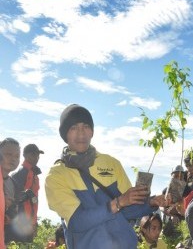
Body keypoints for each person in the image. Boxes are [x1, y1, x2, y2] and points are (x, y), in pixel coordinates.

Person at [45, 104, 166, 249]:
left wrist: (151, 203)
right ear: (65, 134)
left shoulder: (111, 163)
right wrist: (118, 203)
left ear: (92, 132)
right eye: (73, 128)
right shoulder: (56, 175)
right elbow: (77, 221)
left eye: (85, 126)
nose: (81, 133)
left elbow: (127, 211)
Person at [10, 143, 43, 242]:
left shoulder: (34, 174)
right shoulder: (20, 173)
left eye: (38, 155)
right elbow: (12, 198)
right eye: (33, 155)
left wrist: (34, 223)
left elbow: (34, 202)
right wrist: (26, 194)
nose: (37, 158)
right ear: (25, 156)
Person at [1, 138, 21, 244]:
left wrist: (9, 217)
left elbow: (14, 207)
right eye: (8, 154)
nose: (13, 159)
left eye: (17, 156)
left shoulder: (14, 185)